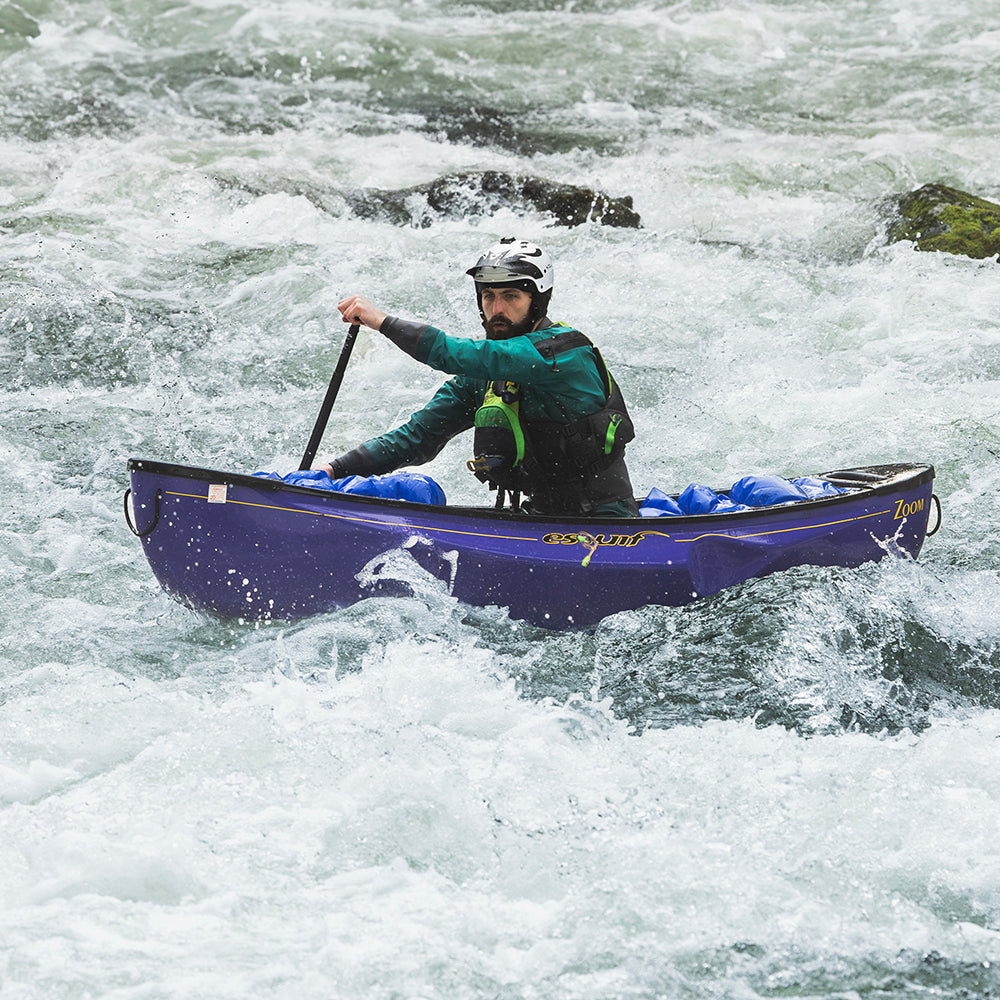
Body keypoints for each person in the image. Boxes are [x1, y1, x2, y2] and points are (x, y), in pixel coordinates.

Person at [318, 238, 638, 517]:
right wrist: (335, 470)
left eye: (511, 296)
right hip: (537, 517)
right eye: (488, 296)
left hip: (608, 523)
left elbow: (453, 353)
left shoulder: (564, 354)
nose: (496, 308)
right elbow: (417, 436)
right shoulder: (484, 378)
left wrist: (383, 322)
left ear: (537, 301)